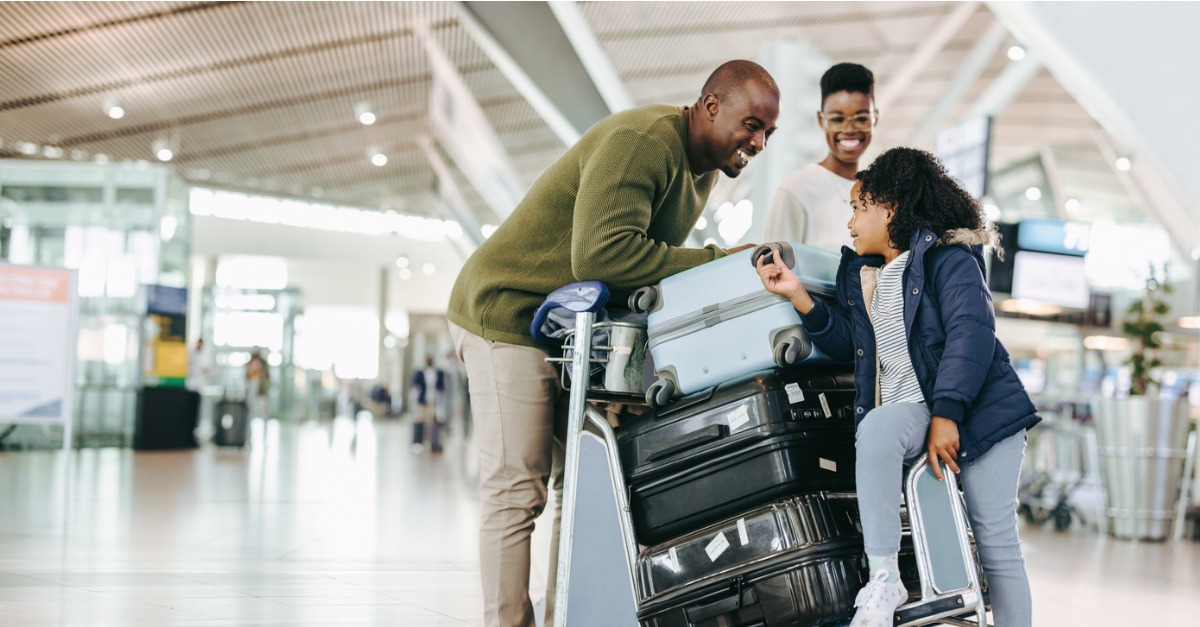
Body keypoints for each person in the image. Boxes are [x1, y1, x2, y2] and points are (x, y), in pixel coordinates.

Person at [447, 60, 781, 627]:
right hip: (507, 311)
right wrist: (719, 261)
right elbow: (603, 257)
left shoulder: (699, 170)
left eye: (768, 133)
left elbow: (636, 271)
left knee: (579, 487)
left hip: (566, 329)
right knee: (517, 489)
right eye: (751, 124)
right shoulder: (644, 142)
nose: (759, 141)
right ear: (710, 106)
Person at [755, 147, 1039, 627]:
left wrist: (948, 414)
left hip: (983, 414)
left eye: (858, 208)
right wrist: (797, 294)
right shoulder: (866, 276)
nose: (850, 224)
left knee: (995, 542)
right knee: (880, 426)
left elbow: (973, 332)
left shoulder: (951, 260)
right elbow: (850, 343)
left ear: (889, 208)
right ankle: (883, 578)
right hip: (917, 409)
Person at [762, 63, 877, 251]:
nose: (849, 130)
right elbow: (773, 271)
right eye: (837, 119)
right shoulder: (796, 192)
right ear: (821, 120)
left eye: (861, 118)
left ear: (875, 119)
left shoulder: (879, 193)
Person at [410, 356, 445, 453]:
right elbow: (414, 385)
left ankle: (434, 444)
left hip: (433, 401)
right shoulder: (420, 373)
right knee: (419, 420)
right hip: (422, 401)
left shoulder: (438, 373)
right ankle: (418, 443)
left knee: (434, 423)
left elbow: (441, 387)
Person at [245, 346, 270, 419]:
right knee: (250, 406)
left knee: (263, 407)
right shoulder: (249, 362)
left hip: (261, 387)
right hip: (252, 384)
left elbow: (267, 376)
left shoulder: (263, 363)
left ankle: (265, 422)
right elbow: (246, 375)